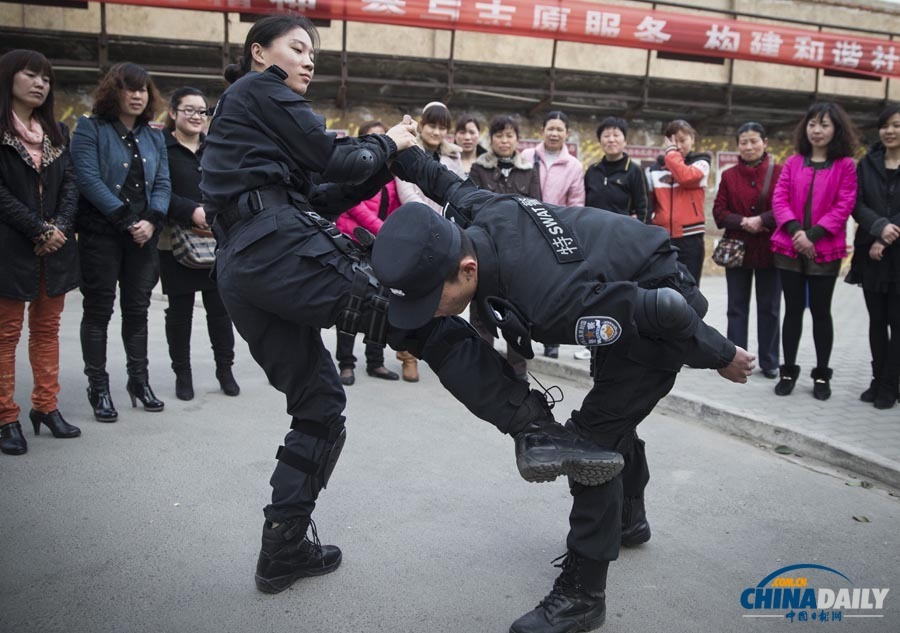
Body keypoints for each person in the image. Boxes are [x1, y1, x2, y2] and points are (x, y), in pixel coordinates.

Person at [200, 15, 615, 596]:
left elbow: (324, 189)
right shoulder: (258, 88)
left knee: (318, 404)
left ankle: (283, 546)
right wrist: (388, 143)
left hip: (244, 269)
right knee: (420, 316)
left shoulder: (246, 122)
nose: (309, 59)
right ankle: (535, 428)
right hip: (277, 250)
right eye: (297, 48)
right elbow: (336, 160)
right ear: (258, 53)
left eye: (312, 51)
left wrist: (382, 162)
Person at [374, 147, 754, 633]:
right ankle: (630, 519)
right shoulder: (478, 213)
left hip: (659, 306)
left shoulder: (549, 299)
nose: (430, 313)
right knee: (616, 415)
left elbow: (664, 312)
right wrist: (397, 151)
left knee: (590, 445)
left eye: (432, 299)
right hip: (618, 282)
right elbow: (443, 180)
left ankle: (582, 596)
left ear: (467, 269)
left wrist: (722, 356)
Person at [70, 62, 170, 420]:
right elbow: (87, 178)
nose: (138, 95)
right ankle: (98, 386)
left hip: (143, 236)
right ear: (115, 92)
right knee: (98, 311)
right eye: (130, 88)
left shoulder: (154, 135)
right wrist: (126, 219)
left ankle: (138, 382)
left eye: (143, 89)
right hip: (102, 234)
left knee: (138, 311)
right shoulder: (89, 129)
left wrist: (152, 219)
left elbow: (162, 184)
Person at [0, 49, 81, 455]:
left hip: (55, 247)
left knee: (47, 332)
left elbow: (70, 185)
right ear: (8, 78)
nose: (39, 84)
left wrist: (60, 228)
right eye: (31, 75)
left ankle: (45, 407)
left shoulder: (56, 132)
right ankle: (5, 417)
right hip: (10, 247)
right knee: (5, 335)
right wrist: (37, 228)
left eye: (46, 79)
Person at [771, 102, 859, 400]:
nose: (817, 130)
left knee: (821, 312)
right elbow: (779, 198)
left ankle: (822, 375)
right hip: (789, 245)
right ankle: (788, 371)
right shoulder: (794, 162)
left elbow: (844, 204)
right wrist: (797, 232)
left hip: (825, 249)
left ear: (836, 130)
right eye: (812, 124)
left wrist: (813, 235)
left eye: (824, 124)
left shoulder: (845, 165)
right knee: (792, 312)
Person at [159, 87, 239, 401]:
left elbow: (229, 187)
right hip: (175, 241)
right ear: (173, 113)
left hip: (215, 240)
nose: (196, 116)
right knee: (179, 313)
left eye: (201, 111)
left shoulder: (215, 149)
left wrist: (214, 215)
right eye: (189, 110)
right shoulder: (162, 148)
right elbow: (157, 190)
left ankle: (225, 370)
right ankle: (183, 373)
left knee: (220, 311)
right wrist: (190, 211)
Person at [394, 102, 466, 381]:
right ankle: (408, 355)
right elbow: (407, 193)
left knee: (441, 294)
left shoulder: (453, 158)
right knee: (412, 292)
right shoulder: (408, 152)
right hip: (416, 230)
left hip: (446, 234)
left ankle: (435, 350)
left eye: (442, 126)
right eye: (431, 124)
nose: (436, 131)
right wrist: (431, 222)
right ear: (421, 126)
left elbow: (458, 191)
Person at [468, 114, 541, 376]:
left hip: (519, 253)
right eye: (499, 135)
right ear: (491, 139)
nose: (504, 140)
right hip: (485, 249)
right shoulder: (479, 169)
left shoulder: (529, 170)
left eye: (510, 135)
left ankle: (517, 372)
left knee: (517, 312)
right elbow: (472, 206)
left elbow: (537, 210)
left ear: (517, 140)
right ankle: (483, 368)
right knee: (481, 311)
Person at [712, 122, 783, 380]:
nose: (749, 146)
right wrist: (743, 222)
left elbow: (786, 207)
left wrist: (762, 220)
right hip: (737, 251)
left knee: (770, 308)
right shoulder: (729, 176)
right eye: (744, 142)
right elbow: (719, 212)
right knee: (736, 307)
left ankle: (770, 361)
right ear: (738, 146)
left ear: (765, 142)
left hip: (770, 250)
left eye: (754, 141)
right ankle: (735, 358)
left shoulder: (779, 172)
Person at [333, 120, 400, 385]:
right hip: (353, 242)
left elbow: (396, 206)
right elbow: (354, 207)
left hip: (381, 245)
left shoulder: (393, 174)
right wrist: (382, 230)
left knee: (382, 304)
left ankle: (376, 361)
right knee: (350, 304)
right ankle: (346, 364)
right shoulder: (353, 170)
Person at [845, 104, 900, 409]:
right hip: (873, 255)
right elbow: (857, 203)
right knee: (876, 321)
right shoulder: (867, 163)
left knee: (897, 322)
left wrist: (891, 232)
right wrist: (880, 228)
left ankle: (891, 385)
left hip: (897, 255)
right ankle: (878, 379)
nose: (890, 131)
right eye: (885, 126)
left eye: (897, 125)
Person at [522, 110, 585, 360]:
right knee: (524, 286)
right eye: (550, 128)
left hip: (556, 233)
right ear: (542, 130)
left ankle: (552, 341)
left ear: (566, 133)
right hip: (527, 229)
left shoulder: (574, 166)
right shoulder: (527, 156)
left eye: (560, 129)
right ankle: (522, 334)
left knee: (556, 290)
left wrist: (564, 231)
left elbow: (576, 204)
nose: (555, 133)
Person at [647, 119, 711, 285]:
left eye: (682, 141)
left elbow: (685, 177)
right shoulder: (654, 169)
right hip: (663, 237)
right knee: (664, 286)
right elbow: (649, 203)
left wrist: (671, 153)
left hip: (691, 238)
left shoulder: (702, 162)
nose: (678, 146)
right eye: (673, 142)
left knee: (689, 287)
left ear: (693, 140)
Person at [584, 116, 649, 222]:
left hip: (622, 233)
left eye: (616, 135)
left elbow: (644, 208)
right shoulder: (592, 171)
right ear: (600, 141)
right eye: (606, 136)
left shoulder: (634, 171)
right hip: (594, 231)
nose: (611, 140)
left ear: (625, 141)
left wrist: (641, 234)